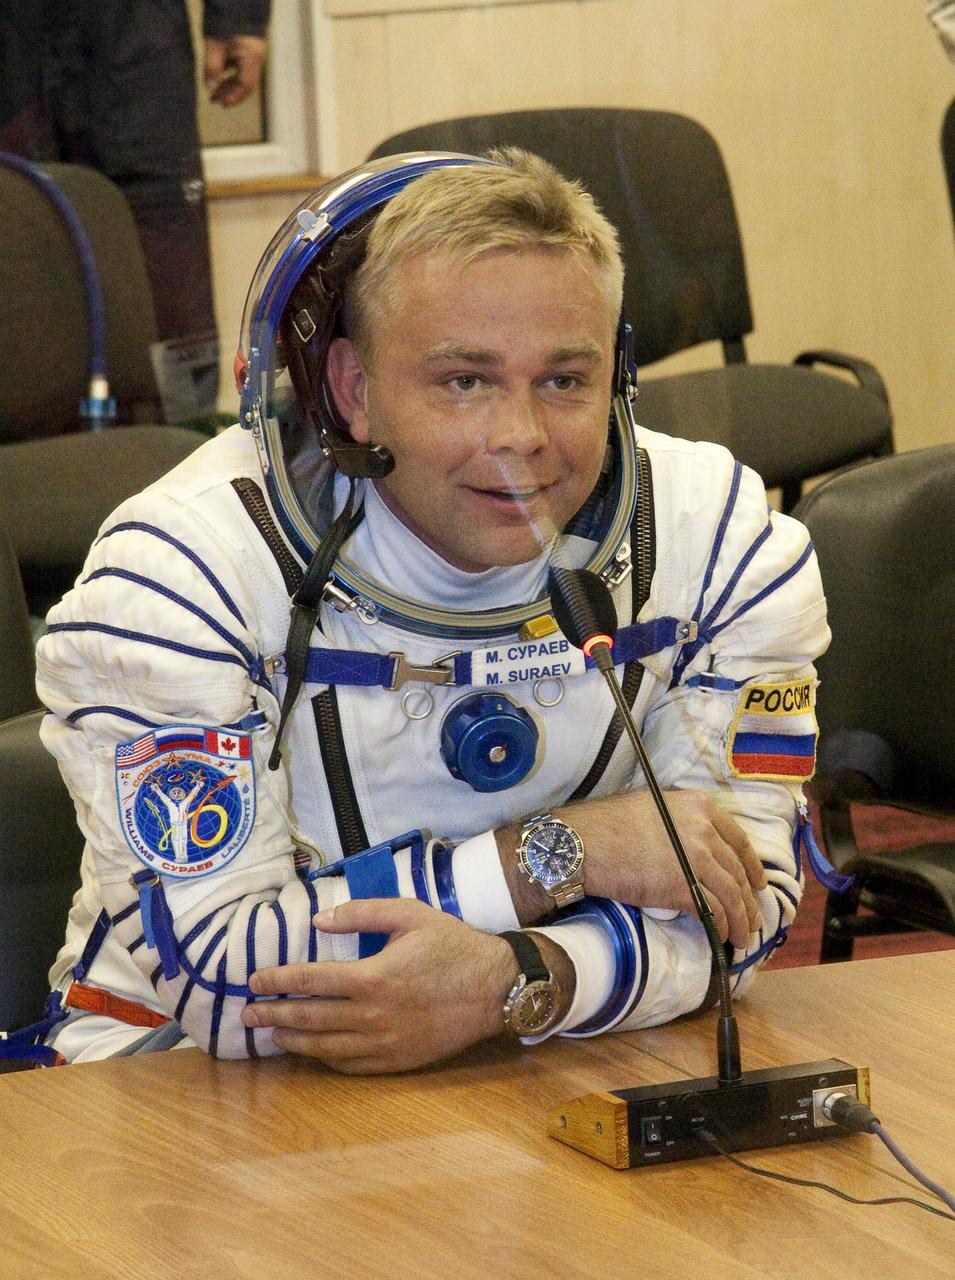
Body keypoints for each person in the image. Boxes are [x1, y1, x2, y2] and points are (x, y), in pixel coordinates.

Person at [18, 149, 831, 1070]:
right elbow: (227, 984)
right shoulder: (183, 574)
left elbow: (743, 908)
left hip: (543, 1043)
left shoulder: (719, 539)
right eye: (464, 381)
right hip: (178, 1079)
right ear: (354, 392)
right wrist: (551, 856)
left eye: (564, 380)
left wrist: (516, 982)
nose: (522, 436)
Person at [0, 0, 270, 347]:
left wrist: (239, 18)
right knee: (19, 272)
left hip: (132, 43)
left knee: (166, 299)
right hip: (15, 53)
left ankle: (180, 402)